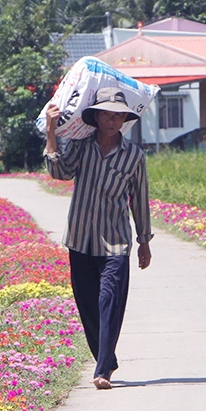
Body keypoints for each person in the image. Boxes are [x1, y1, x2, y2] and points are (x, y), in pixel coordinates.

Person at [44, 87, 152, 390]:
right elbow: (60, 171)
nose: (112, 119)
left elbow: (139, 199)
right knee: (88, 305)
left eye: (118, 115)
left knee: (109, 301)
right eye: (106, 113)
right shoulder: (81, 146)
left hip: (116, 242)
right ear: (96, 116)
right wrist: (51, 131)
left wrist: (144, 240)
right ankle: (107, 356)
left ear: (124, 119)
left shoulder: (133, 156)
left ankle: (103, 369)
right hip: (80, 240)